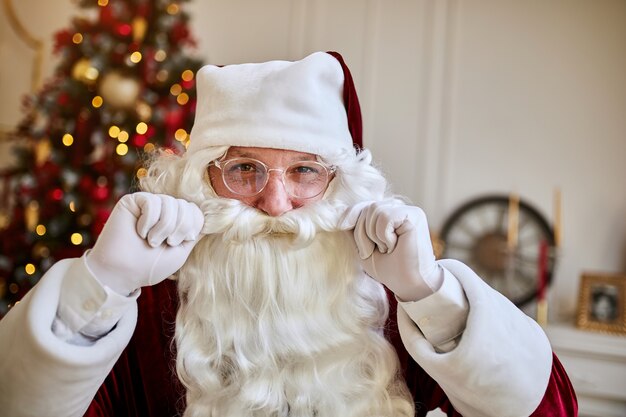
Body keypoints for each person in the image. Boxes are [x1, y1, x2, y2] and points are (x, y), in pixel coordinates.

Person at [0, 51, 577, 417]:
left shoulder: (391, 309)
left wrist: (432, 294)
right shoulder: (146, 309)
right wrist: (99, 287)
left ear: (342, 185)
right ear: (199, 183)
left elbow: (549, 411)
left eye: (305, 171)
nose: (276, 204)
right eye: (243, 169)